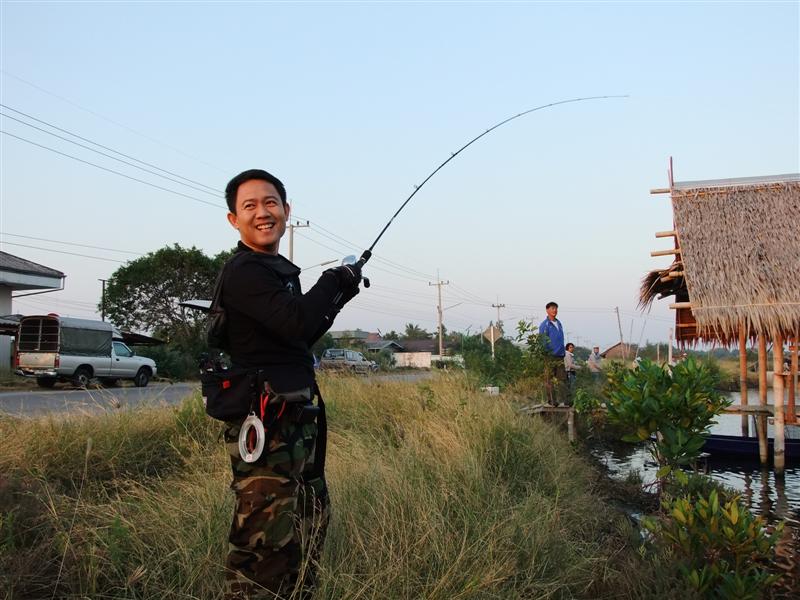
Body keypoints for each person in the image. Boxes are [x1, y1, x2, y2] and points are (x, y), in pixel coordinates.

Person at [216, 169, 361, 599]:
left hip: (297, 423)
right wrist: (334, 280)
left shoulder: (276, 271)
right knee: (263, 545)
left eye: (271, 202)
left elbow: (297, 337)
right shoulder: (245, 272)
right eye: (250, 206)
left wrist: (341, 294)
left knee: (307, 529)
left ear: (286, 210)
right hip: (267, 426)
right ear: (233, 220)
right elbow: (298, 320)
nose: (263, 213)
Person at [538, 301, 566, 405]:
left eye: (556, 308)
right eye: (552, 308)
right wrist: (545, 354)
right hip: (549, 356)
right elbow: (543, 341)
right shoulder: (545, 325)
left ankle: (566, 400)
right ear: (547, 310)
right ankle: (552, 401)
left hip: (560, 355)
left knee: (562, 379)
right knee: (549, 379)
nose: (555, 310)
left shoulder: (559, 323)